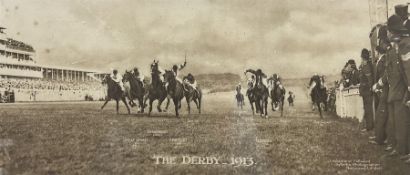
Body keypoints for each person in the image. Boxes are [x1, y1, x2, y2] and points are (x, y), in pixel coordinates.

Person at [374, 13, 410, 161]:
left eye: (388, 31)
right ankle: (401, 149)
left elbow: (407, 71)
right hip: (396, 92)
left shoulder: (405, 45)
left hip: (402, 92)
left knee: (403, 123)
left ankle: (404, 150)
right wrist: (379, 84)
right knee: (398, 124)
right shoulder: (396, 47)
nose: (387, 34)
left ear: (394, 31)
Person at [359, 48, 374, 132]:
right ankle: (368, 125)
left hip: (367, 91)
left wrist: (370, 88)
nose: (362, 59)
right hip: (365, 91)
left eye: (362, 58)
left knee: (368, 109)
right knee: (366, 108)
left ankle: (369, 126)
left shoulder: (367, 66)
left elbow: (370, 79)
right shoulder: (364, 66)